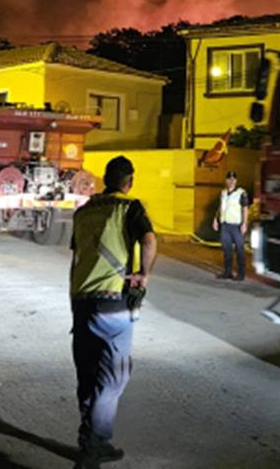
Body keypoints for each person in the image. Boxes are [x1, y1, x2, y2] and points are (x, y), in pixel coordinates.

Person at [69, 156, 157, 468]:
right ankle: (92, 449)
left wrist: (74, 304)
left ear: (105, 179)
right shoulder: (129, 207)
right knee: (112, 377)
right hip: (112, 302)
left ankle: (92, 439)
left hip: (81, 302)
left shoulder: (83, 212)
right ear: (128, 181)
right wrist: (144, 275)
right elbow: (148, 241)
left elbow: (77, 257)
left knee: (88, 373)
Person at [213, 170, 250, 281]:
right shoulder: (223, 192)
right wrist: (215, 219)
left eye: (233, 179)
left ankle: (241, 274)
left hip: (237, 226)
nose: (231, 181)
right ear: (226, 180)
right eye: (229, 179)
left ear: (236, 181)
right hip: (225, 225)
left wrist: (245, 223)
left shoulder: (241, 193)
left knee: (239, 250)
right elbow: (220, 207)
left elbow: (245, 208)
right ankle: (227, 272)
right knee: (227, 249)